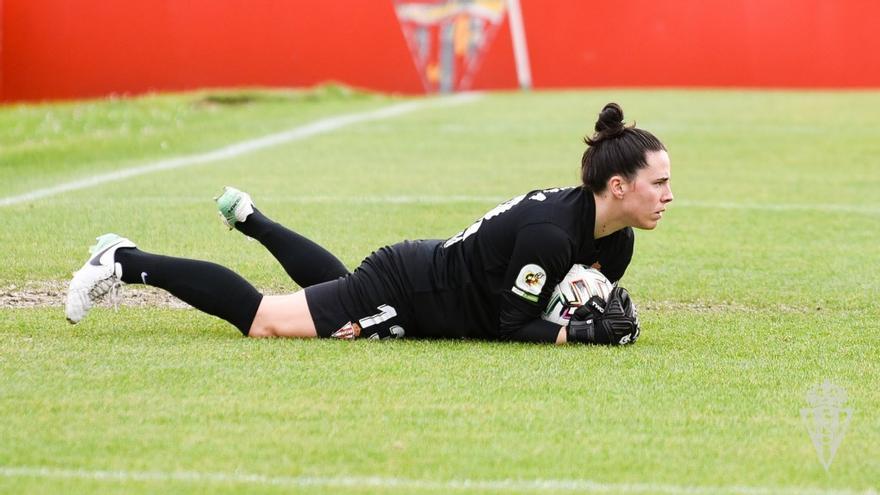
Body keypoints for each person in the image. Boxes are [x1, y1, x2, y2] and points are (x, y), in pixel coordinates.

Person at [65, 102, 673, 345]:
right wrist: (584, 336)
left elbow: (561, 297)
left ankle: (252, 220)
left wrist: (586, 313)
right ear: (617, 186)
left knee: (330, 295)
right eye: (659, 182)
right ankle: (123, 259)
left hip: (421, 286)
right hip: (406, 286)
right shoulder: (551, 232)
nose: (668, 196)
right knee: (265, 321)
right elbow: (512, 324)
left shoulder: (613, 237)